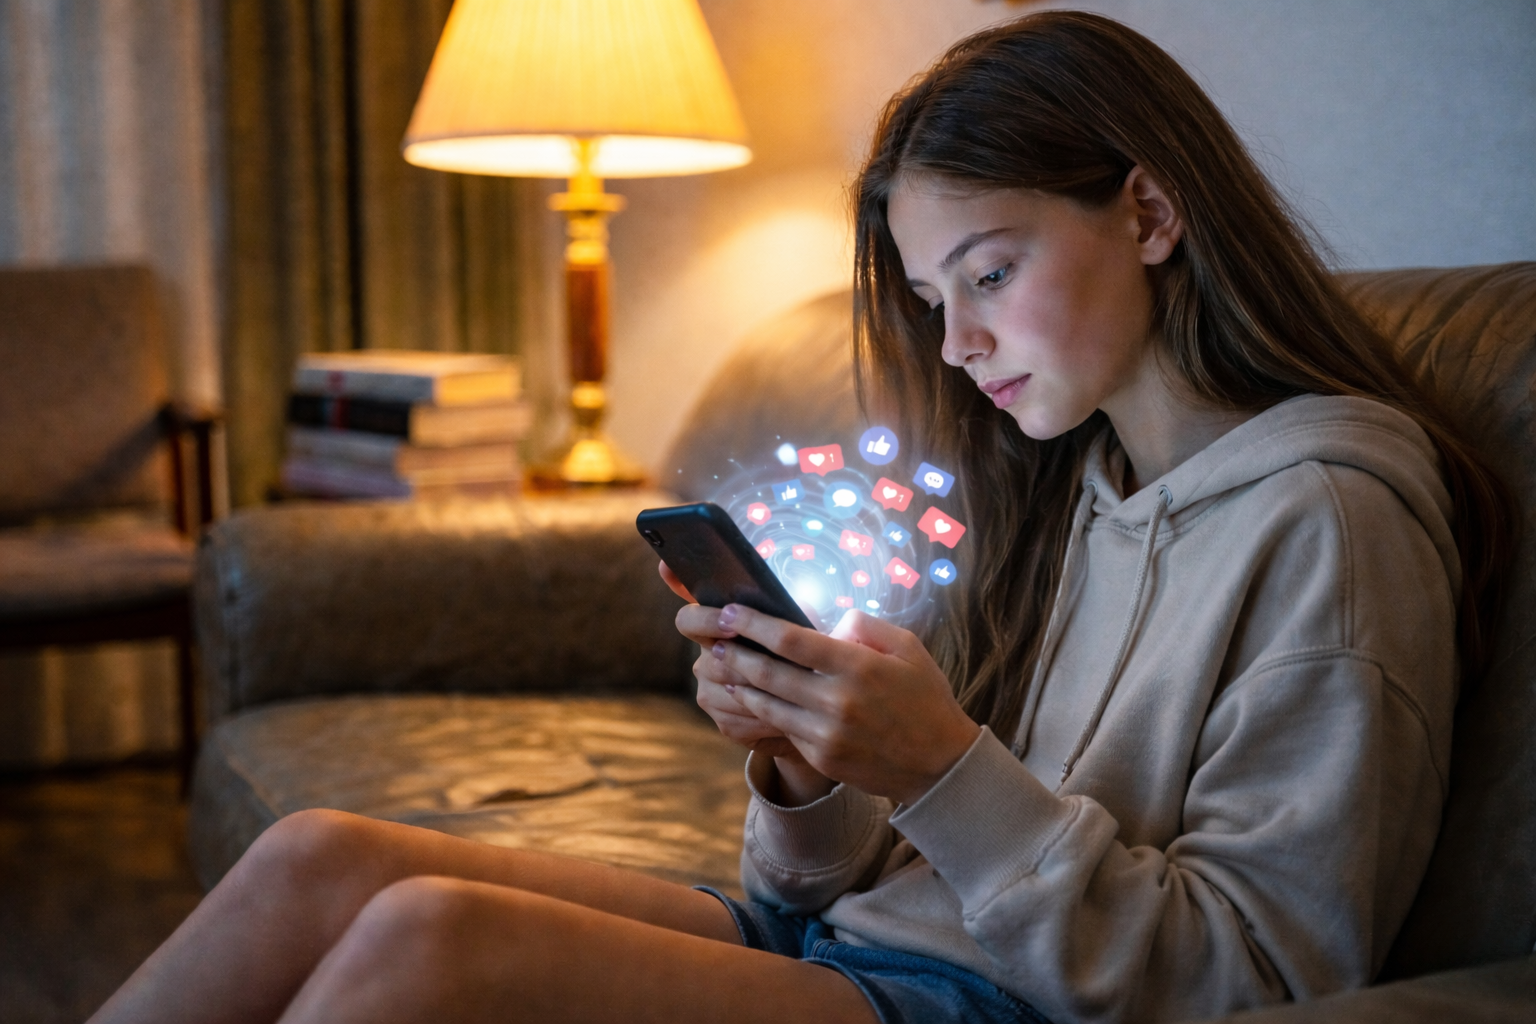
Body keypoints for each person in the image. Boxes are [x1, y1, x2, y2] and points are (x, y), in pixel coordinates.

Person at [89, 11, 1509, 1024]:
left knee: (430, 940)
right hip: (856, 938)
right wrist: (802, 768)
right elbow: (857, 874)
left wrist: (944, 767)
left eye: (992, 274)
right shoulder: (1073, 482)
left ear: (1149, 213)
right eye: (933, 297)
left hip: (990, 998)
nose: (957, 344)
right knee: (320, 857)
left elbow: (1262, 981)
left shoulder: (1332, 521)